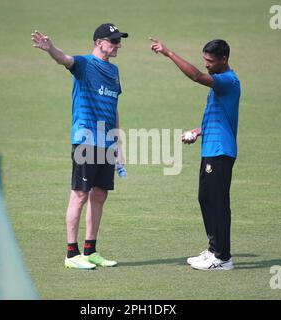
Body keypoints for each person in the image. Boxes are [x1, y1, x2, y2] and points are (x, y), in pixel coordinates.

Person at [32, 23, 128, 270]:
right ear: (99, 42)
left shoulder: (115, 71)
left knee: (100, 194)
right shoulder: (84, 64)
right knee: (80, 194)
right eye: (113, 41)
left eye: (119, 41)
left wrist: (117, 141)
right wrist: (50, 48)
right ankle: (71, 254)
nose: (118, 45)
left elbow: (114, 107)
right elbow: (64, 59)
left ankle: (91, 251)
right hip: (86, 139)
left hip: (106, 142)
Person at [150, 38, 240, 270]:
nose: (207, 64)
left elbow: (196, 76)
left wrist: (169, 52)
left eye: (210, 61)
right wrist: (198, 131)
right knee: (206, 199)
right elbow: (222, 117)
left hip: (220, 152)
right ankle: (213, 250)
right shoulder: (222, 83)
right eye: (204, 60)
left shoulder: (227, 80)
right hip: (211, 148)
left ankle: (223, 258)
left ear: (224, 59)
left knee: (217, 203)